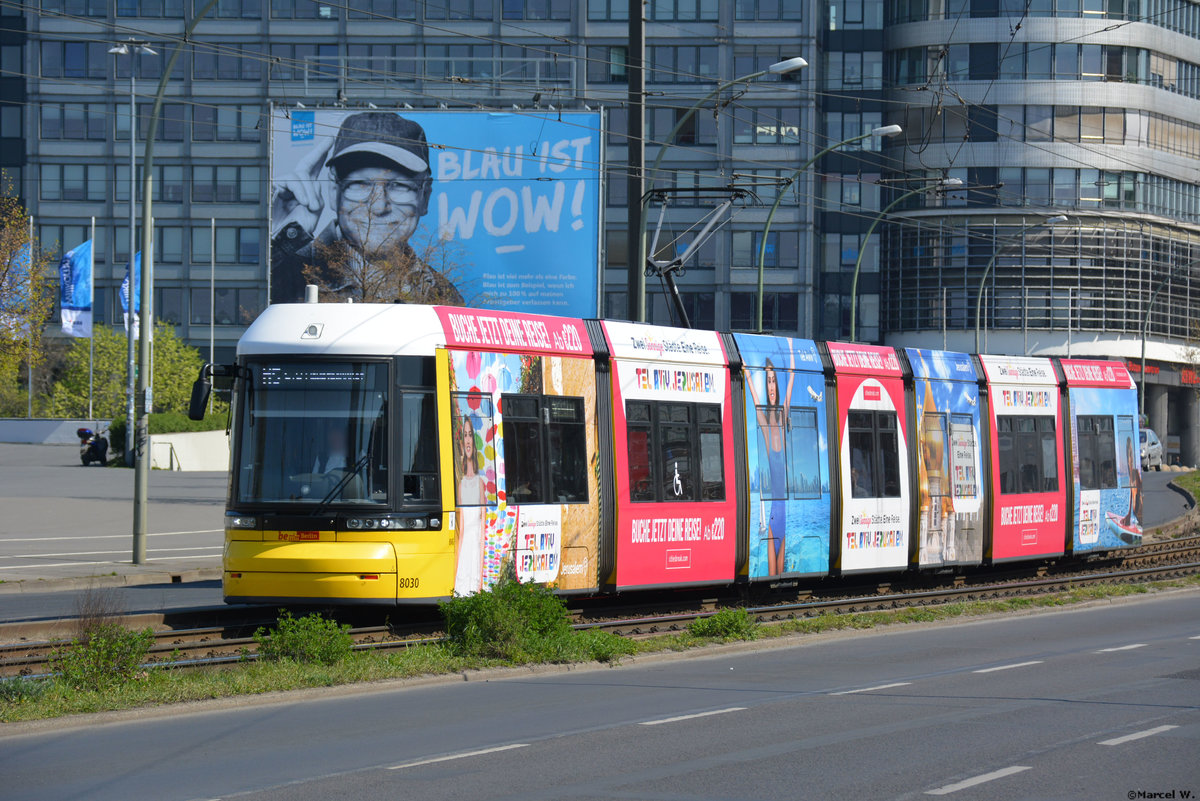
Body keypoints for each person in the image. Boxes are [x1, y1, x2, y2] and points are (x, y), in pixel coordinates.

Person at [271, 111, 462, 304]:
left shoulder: (441, 293)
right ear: (333, 190)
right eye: (361, 183)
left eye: (399, 186)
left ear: (425, 197)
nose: (378, 207)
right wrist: (280, 244)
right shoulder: (284, 274)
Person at [746, 350, 795, 576]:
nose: (772, 386)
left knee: (780, 575)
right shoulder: (765, 425)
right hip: (775, 514)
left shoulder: (783, 418)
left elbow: (792, 377)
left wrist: (792, 350)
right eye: (768, 381)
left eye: (774, 379)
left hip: (783, 514)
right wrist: (747, 375)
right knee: (772, 575)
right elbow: (755, 400)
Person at [454, 419, 487, 596]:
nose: (467, 440)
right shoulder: (460, 485)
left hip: (475, 549)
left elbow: (482, 528)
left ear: (474, 443)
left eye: (470, 436)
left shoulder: (480, 483)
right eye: (465, 435)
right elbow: (462, 527)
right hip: (465, 551)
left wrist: (480, 579)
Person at [1121, 435, 1142, 529]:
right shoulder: (1129, 477)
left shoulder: (1135, 474)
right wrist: (1128, 516)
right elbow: (1130, 500)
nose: (1129, 460)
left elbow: (1139, 494)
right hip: (1135, 515)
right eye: (1127, 455)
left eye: (1130, 455)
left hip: (1139, 514)